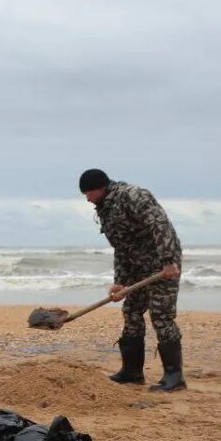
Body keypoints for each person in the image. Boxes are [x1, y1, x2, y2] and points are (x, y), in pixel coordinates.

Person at [80, 168, 185, 392]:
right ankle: (132, 373)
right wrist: (120, 281)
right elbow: (121, 247)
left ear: (99, 188)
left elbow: (160, 225)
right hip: (137, 267)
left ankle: (174, 378)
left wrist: (168, 260)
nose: (87, 199)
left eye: (88, 193)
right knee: (131, 311)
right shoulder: (105, 209)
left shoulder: (133, 196)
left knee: (161, 316)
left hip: (162, 264)